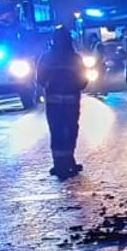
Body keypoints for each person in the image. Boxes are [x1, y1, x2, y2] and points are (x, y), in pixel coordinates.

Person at [38, 25, 89, 178]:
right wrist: (75, 87)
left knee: (56, 132)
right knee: (71, 131)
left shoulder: (46, 58)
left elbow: (40, 78)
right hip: (71, 101)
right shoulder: (75, 58)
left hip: (53, 102)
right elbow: (83, 80)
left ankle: (59, 165)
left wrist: (51, 86)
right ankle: (68, 162)